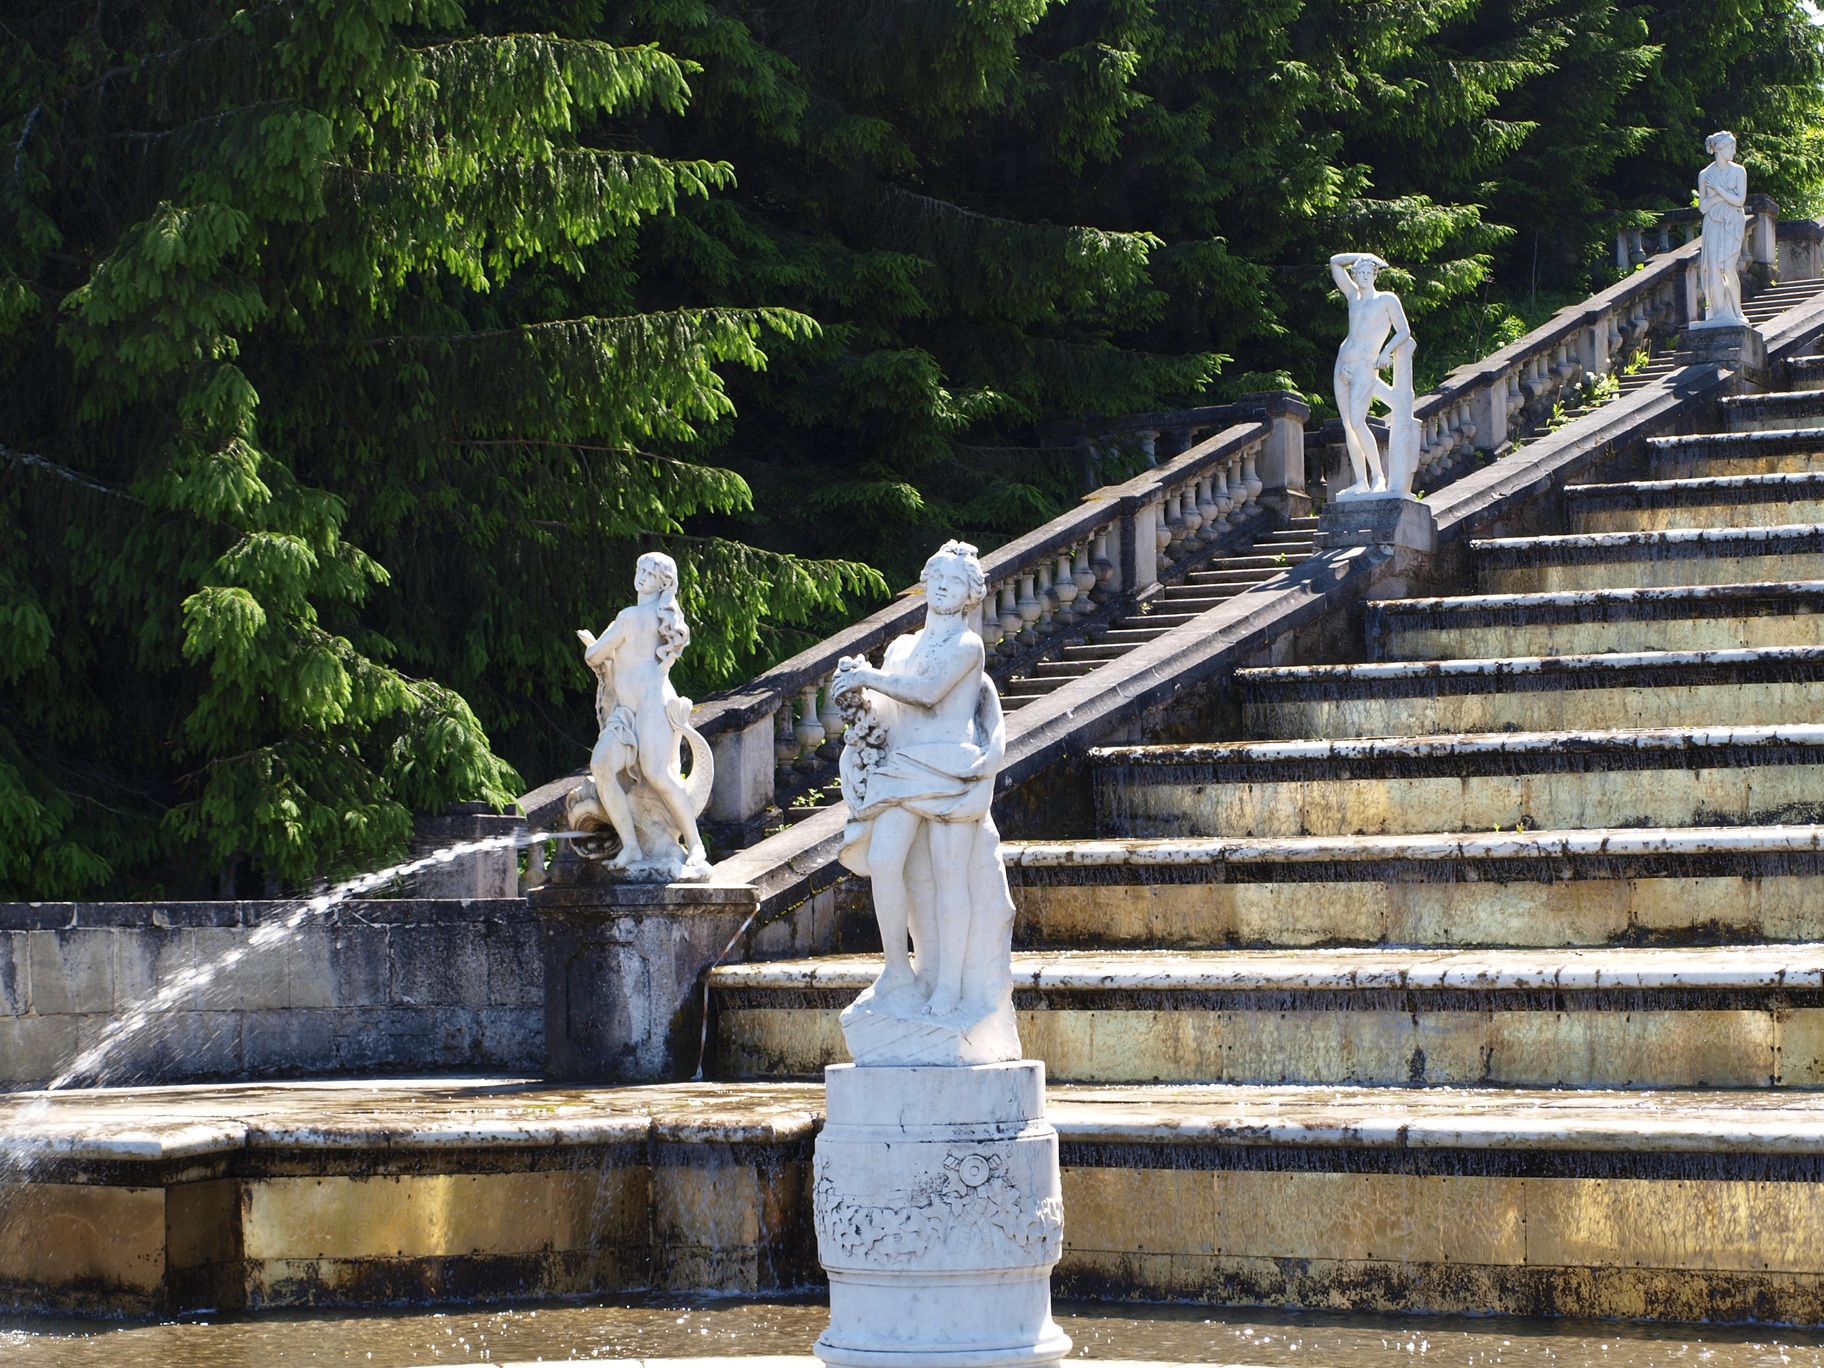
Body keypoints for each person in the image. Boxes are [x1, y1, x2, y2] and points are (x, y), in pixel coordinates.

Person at [831, 541, 1013, 1025]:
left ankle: (950, 983)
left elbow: (930, 693)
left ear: (970, 595)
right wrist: (856, 702)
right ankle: (897, 969)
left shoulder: (967, 645)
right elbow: (889, 711)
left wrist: (868, 677)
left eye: (954, 582)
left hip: (952, 769)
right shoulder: (900, 647)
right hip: (902, 765)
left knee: (951, 876)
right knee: (883, 859)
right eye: (937, 578)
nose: (942, 587)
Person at [575, 551, 709, 875]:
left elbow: (593, 656)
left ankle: (695, 843)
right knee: (602, 765)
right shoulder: (637, 617)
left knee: (657, 773)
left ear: (663, 582)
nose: (642, 576)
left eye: (650, 573)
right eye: (640, 569)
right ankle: (631, 846)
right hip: (626, 711)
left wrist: (598, 641)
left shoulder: (629, 617)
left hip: (653, 704)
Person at [1330, 251, 1413, 497]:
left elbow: (1404, 331)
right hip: (1343, 365)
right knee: (1348, 425)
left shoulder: (1386, 299)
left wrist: (1386, 352)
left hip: (1365, 366)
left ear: (1375, 275)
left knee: (1358, 421)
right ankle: (1360, 481)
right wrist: (1365, 255)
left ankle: (1378, 476)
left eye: (1369, 272)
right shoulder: (1353, 296)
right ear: (1354, 275)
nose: (1365, 277)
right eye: (1361, 273)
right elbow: (1335, 262)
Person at [1697, 130, 1748, 328]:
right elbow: (1703, 207)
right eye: (1731, 147)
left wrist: (1718, 190)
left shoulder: (1739, 171)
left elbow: (1740, 201)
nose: (1734, 151)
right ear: (1720, 149)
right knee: (1713, 269)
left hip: (1732, 222)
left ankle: (1737, 311)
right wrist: (1723, 194)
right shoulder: (1704, 175)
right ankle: (1718, 312)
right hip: (1712, 223)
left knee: (1728, 268)